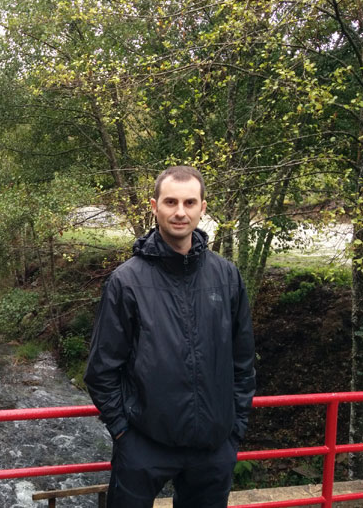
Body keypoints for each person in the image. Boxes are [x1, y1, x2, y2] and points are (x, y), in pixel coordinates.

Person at [84, 165, 256, 508]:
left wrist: (233, 428)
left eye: (190, 202)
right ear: (154, 206)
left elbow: (243, 361)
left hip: (212, 446)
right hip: (144, 443)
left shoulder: (226, 276)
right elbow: (101, 370)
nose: (181, 212)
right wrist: (123, 432)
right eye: (171, 202)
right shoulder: (127, 281)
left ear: (203, 208)